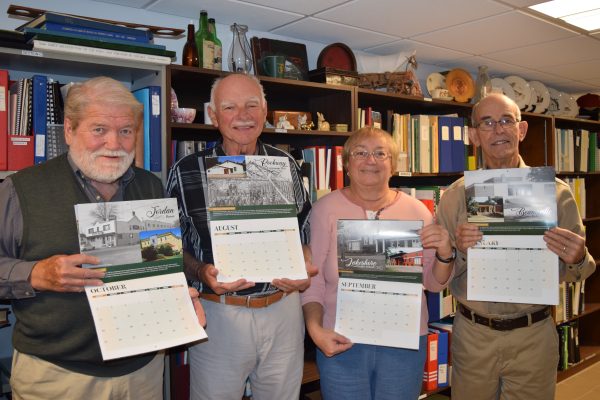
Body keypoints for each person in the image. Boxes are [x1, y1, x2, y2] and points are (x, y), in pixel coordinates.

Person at [0, 76, 205, 399]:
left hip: (143, 371)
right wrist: (35, 274)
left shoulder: (150, 187)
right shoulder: (20, 190)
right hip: (58, 377)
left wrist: (179, 300)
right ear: (69, 130)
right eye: (99, 130)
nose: (114, 143)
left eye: (125, 131)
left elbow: (161, 264)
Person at [436, 93, 596, 400]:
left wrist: (578, 258)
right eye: (487, 123)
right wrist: (462, 252)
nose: (498, 130)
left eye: (506, 121)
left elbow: (581, 270)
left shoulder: (555, 194)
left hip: (533, 335)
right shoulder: (455, 196)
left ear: (521, 130)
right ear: (474, 136)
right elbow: (440, 275)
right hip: (474, 335)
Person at [166, 73, 314, 400]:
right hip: (220, 315)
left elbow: (304, 232)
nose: (243, 115)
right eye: (230, 107)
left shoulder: (285, 164)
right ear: (215, 116)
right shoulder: (187, 169)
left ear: (264, 112)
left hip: (282, 311)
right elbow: (166, 248)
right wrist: (200, 271)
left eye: (252, 105)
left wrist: (304, 263)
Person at [301, 126, 455, 400]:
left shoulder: (417, 210)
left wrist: (445, 251)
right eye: (360, 153)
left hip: (403, 342)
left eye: (380, 153)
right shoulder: (325, 209)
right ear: (346, 164)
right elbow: (314, 282)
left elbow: (433, 282)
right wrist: (315, 330)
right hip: (340, 340)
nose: (370, 160)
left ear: (393, 165)